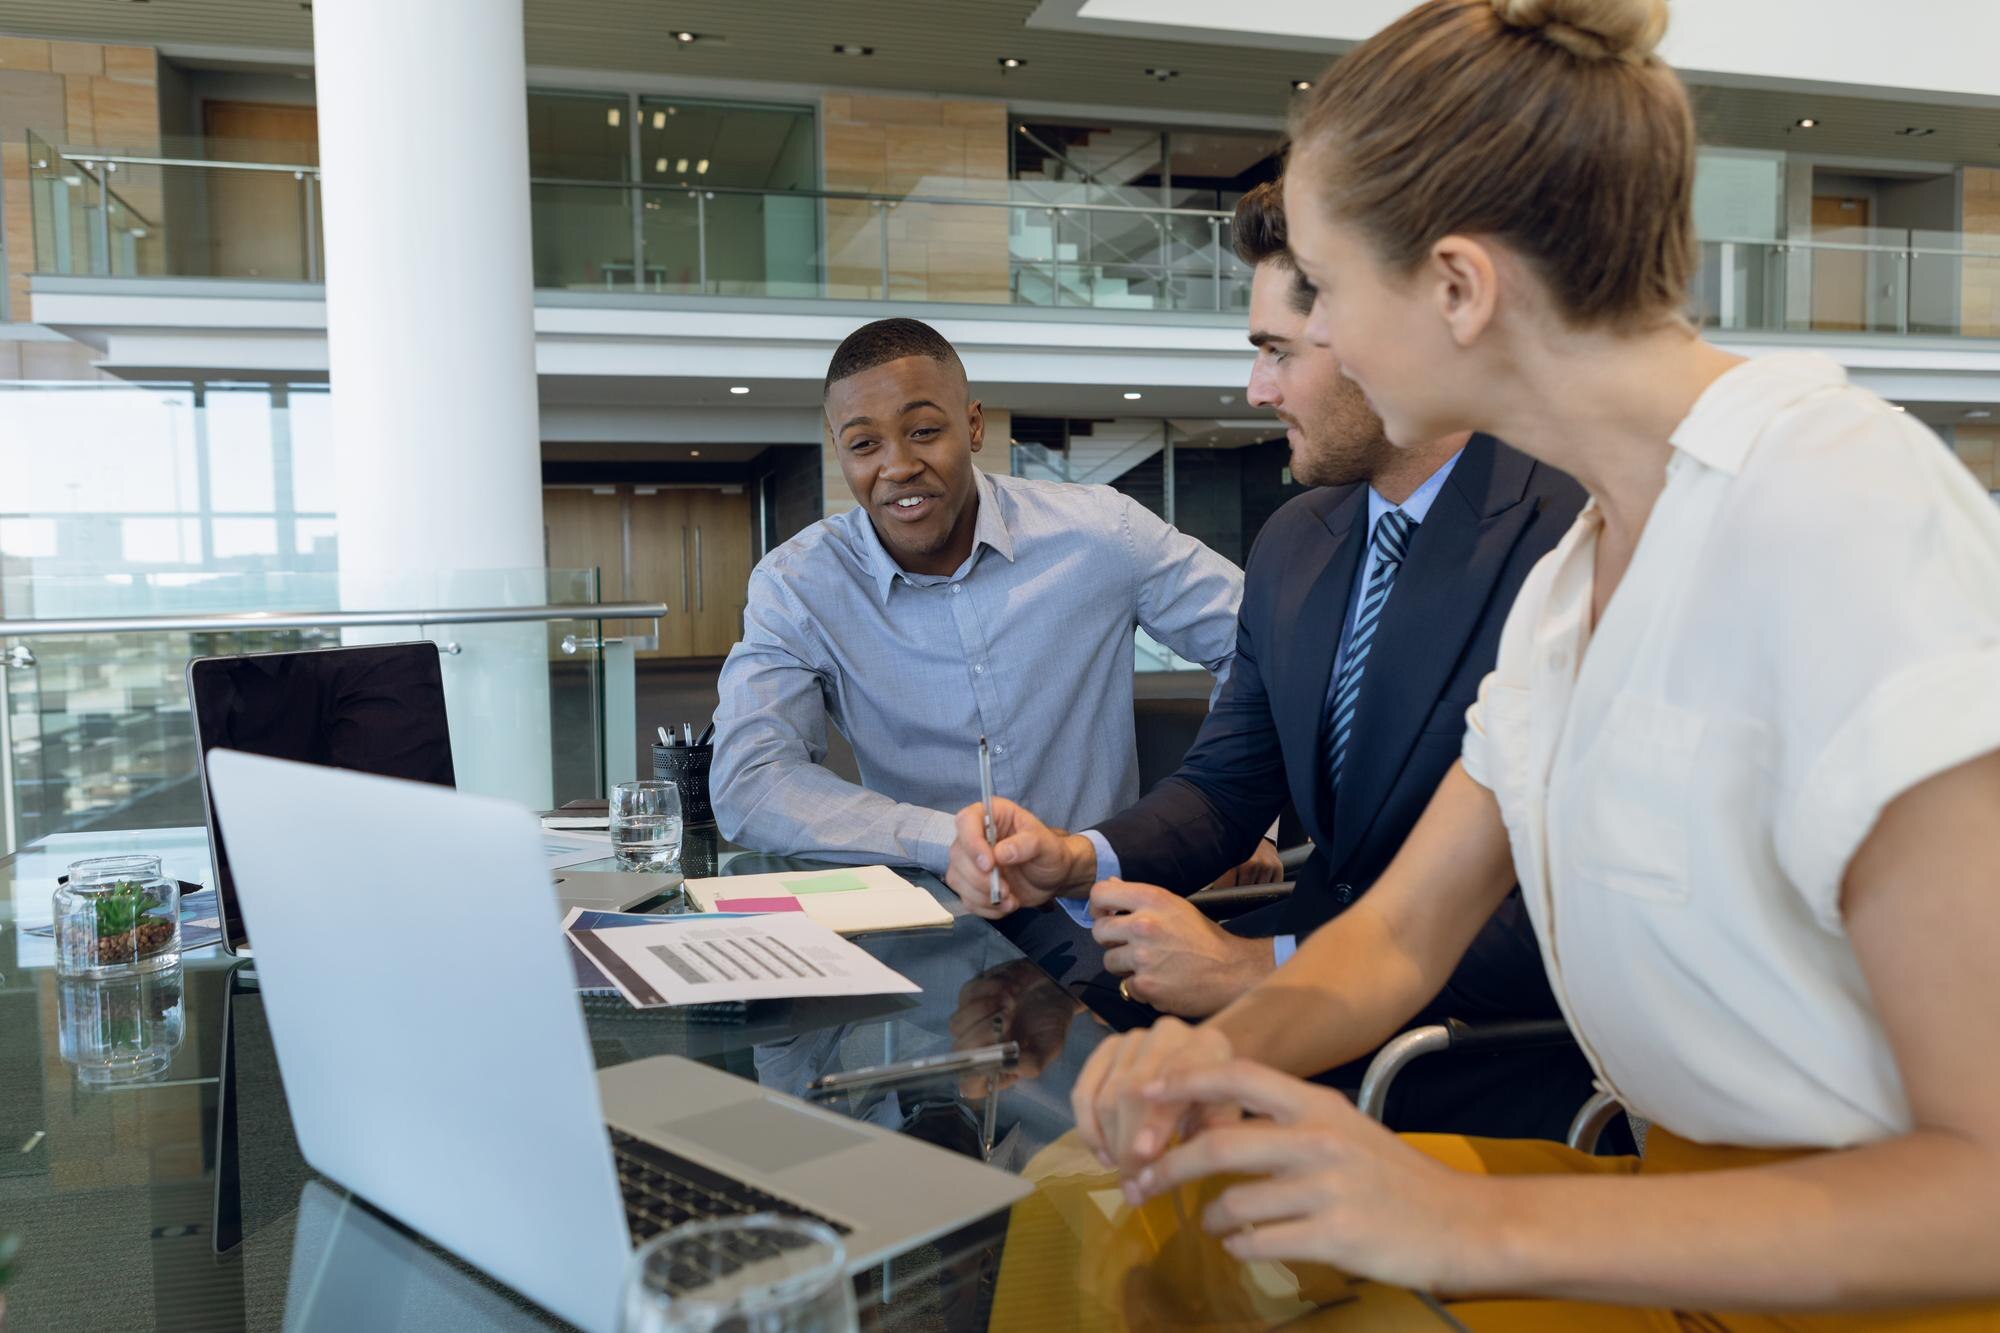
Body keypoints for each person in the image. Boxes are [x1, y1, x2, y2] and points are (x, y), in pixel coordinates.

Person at [1066, 0, 2000, 1324]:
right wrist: (1196, 1058)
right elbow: (1395, 937)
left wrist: (1465, 1219)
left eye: (1324, 290)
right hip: (1687, 1252)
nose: (1308, 345)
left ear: (1457, 286)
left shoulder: (1838, 503)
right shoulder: (1576, 578)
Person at [944, 183, 1585, 1058]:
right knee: (1040, 1031)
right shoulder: (1296, 541)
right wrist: (1077, 855)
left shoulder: (1576, 535)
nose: (1256, 390)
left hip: (1471, 1040)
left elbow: (1569, 917)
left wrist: (1260, 963)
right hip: (1316, 974)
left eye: (1278, 351)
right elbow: (1227, 786)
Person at [711, 317, 1265, 885]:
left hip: (1101, 900)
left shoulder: (1103, 531)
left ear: (973, 426)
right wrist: (945, 841)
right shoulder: (798, 585)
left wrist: (1231, 815)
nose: (898, 466)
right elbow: (751, 781)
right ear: (838, 452)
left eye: (924, 431)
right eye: (864, 444)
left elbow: (1265, 649)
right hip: (930, 908)